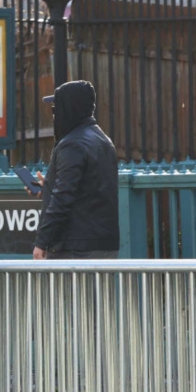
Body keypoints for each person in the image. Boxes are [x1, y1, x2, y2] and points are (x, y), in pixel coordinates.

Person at [31, 80, 119, 259]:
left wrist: (42, 242)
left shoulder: (72, 144)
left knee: (67, 289)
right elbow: (91, 189)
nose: (54, 116)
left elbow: (63, 197)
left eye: (56, 109)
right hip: (104, 245)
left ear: (68, 109)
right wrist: (47, 188)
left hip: (74, 248)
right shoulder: (104, 141)